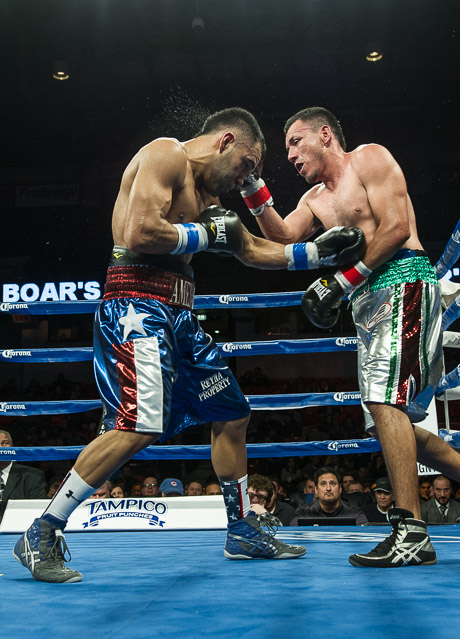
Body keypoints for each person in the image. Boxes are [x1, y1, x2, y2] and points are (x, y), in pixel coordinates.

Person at [10, 107, 370, 582]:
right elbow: (140, 231)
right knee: (139, 425)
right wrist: (203, 233)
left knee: (232, 413)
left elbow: (248, 248)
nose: (242, 180)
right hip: (137, 306)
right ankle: (42, 530)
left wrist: (315, 252)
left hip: (179, 314)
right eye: (245, 165)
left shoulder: (206, 196)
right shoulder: (166, 155)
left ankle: (241, 529)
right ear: (225, 141)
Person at [248, 106, 460, 566]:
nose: (290, 154)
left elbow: (396, 228)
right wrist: (251, 187)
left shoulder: (369, 159)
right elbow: (282, 236)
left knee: (384, 402)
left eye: (296, 141)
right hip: (367, 301)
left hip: (402, 281)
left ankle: (411, 532)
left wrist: (343, 279)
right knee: (386, 421)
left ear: (325, 134)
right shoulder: (314, 199)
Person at [290, 468, 367, 525]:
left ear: (340, 489)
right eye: (323, 484)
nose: (328, 488)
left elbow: (363, 539)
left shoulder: (355, 514)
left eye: (333, 484)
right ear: (316, 490)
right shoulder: (303, 514)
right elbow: (293, 538)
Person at [1, 430, 48, 521]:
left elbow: (37, 511)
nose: (0, 448)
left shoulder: (32, 476)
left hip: (18, 527)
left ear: (12, 447)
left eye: (5, 443)